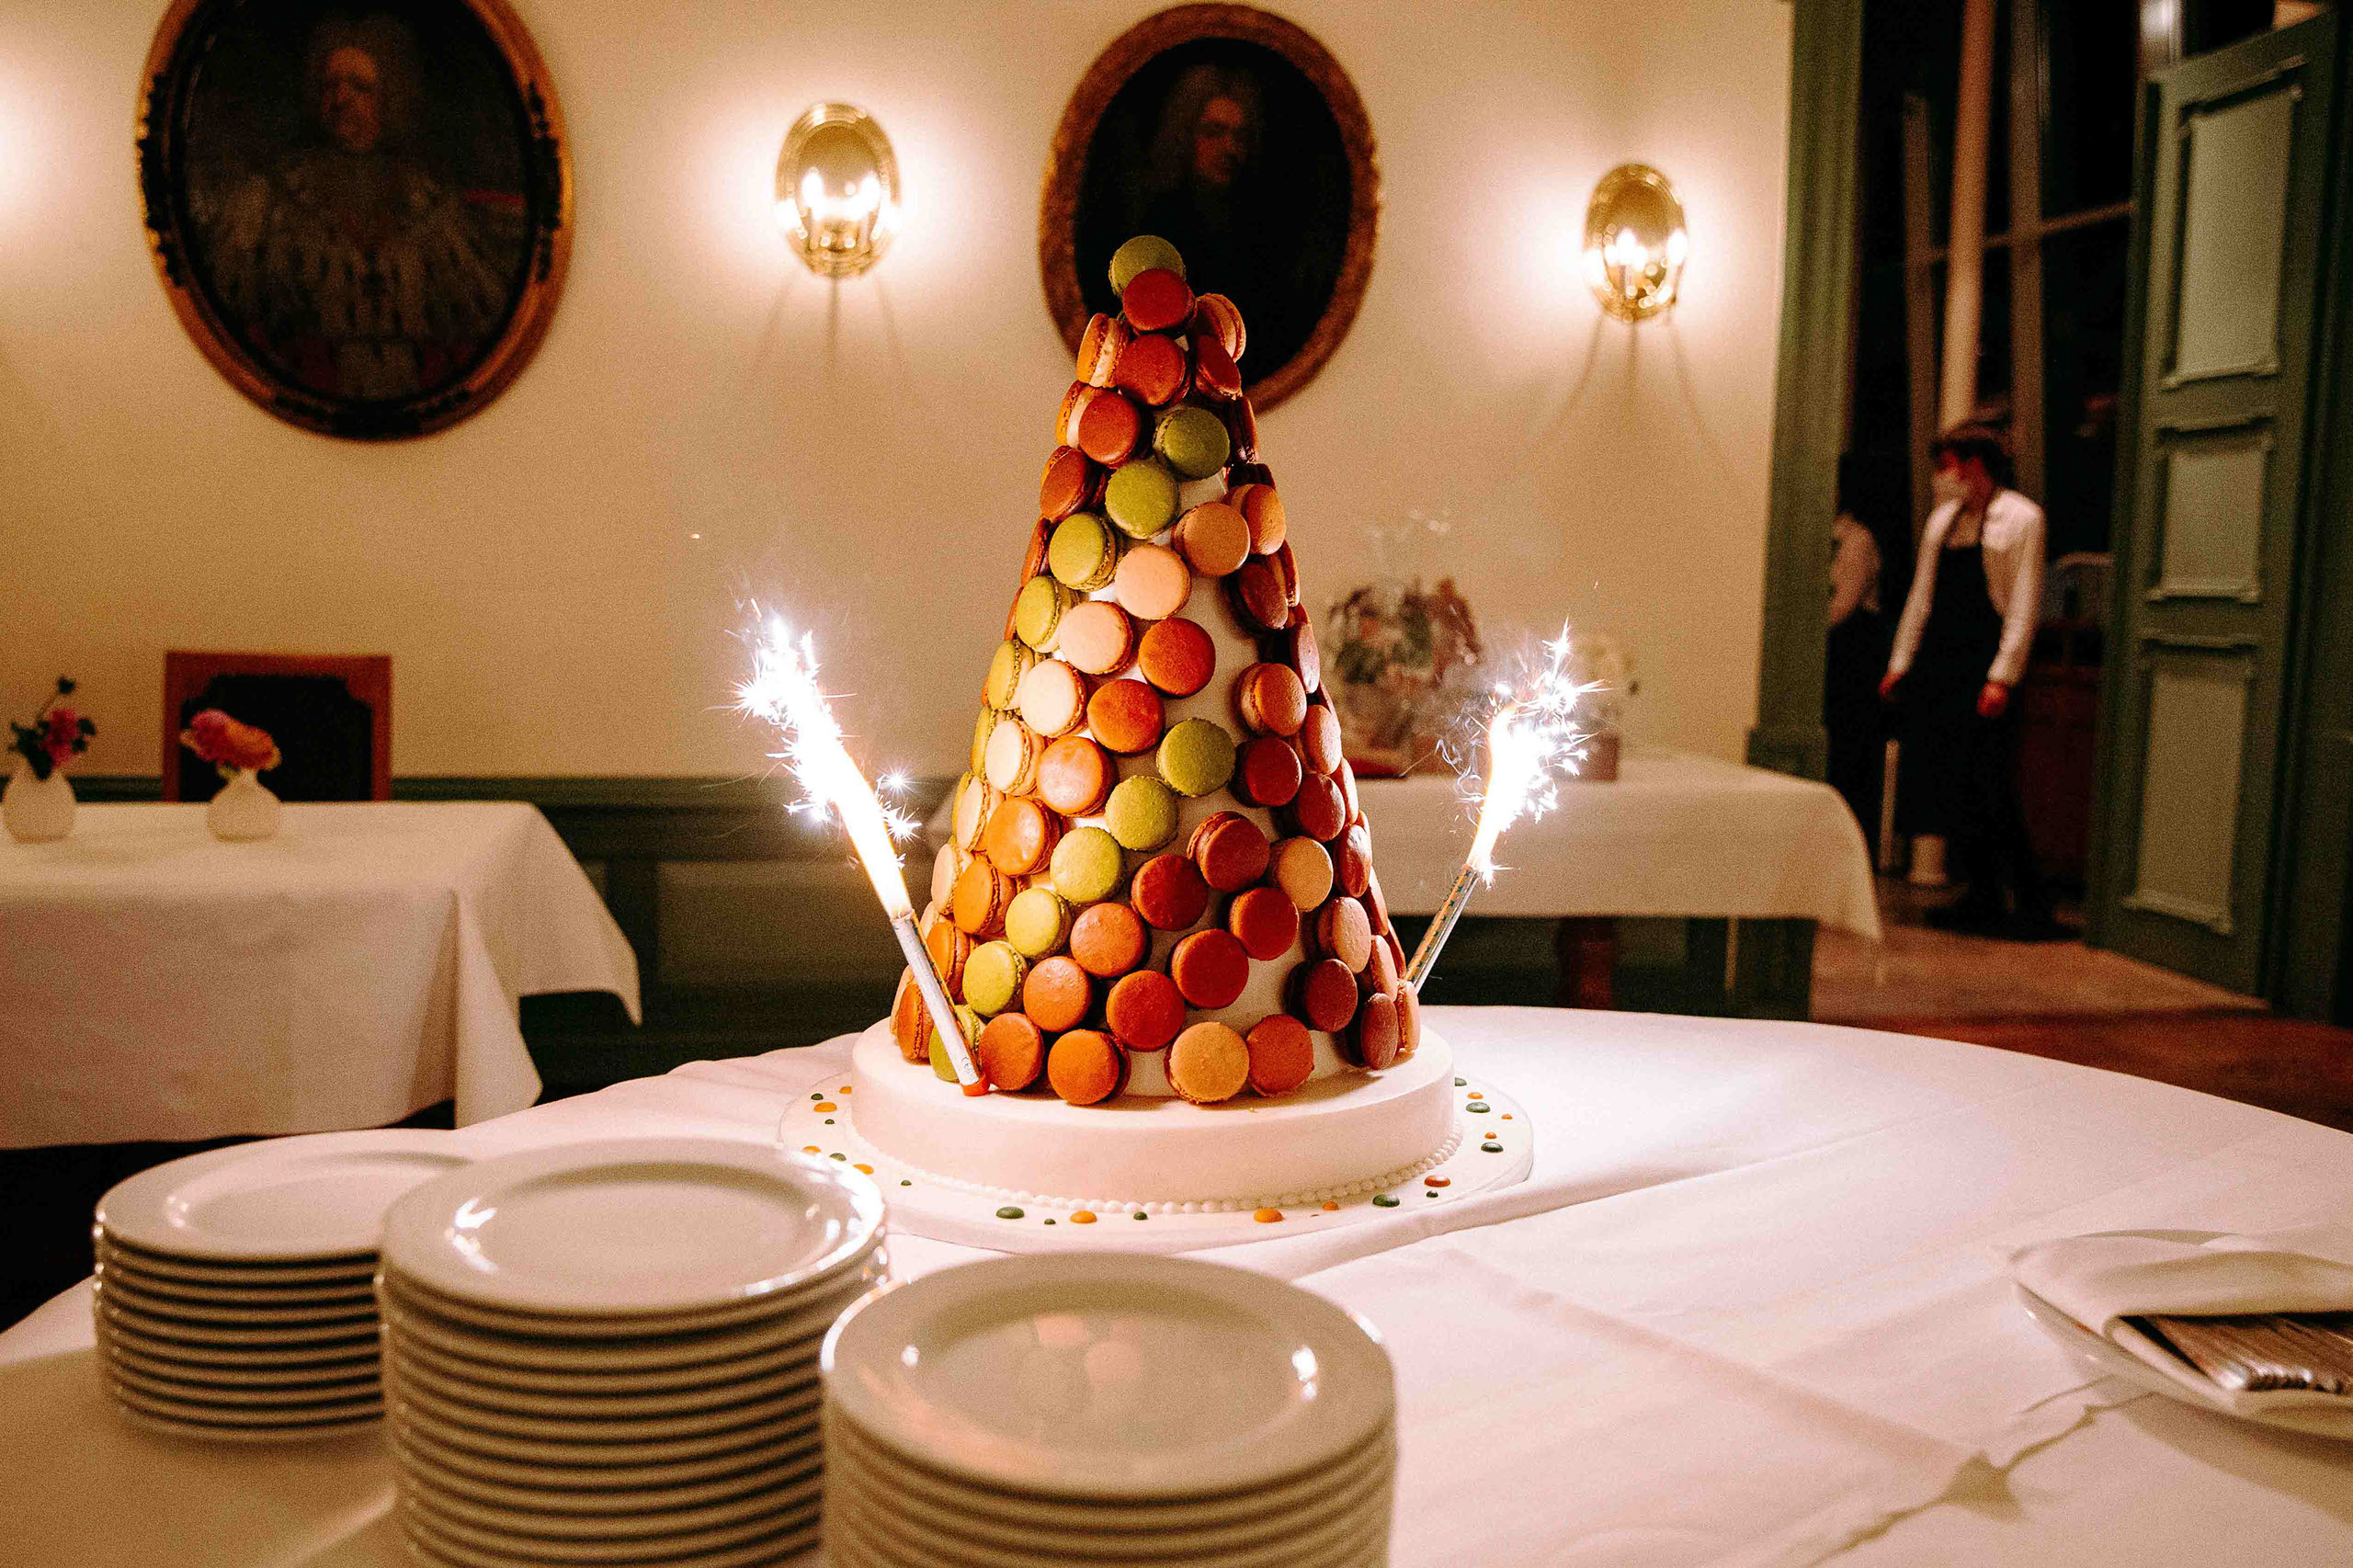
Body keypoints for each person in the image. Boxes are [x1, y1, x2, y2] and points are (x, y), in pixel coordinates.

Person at [204, 16, 511, 402]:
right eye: (330, 85)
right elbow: (228, 318)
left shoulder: (432, 203)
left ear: (393, 96)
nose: (341, 99)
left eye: (360, 87)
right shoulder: (268, 197)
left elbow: (484, 319)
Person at [1881, 425, 2058, 937]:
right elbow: (1923, 595)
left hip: (1983, 663)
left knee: (1991, 784)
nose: (1942, 476)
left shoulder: (2022, 519)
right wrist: (1900, 662)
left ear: (1974, 465)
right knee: (1951, 784)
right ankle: (1979, 895)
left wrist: (2002, 676)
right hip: (1941, 662)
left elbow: (2023, 603)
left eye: (1948, 463)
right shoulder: (1942, 521)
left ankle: (2030, 902)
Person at [1824, 456, 1886, 853]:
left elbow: (1843, 606)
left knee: (1849, 747)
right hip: (1834, 649)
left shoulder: (1857, 540)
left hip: (1852, 652)